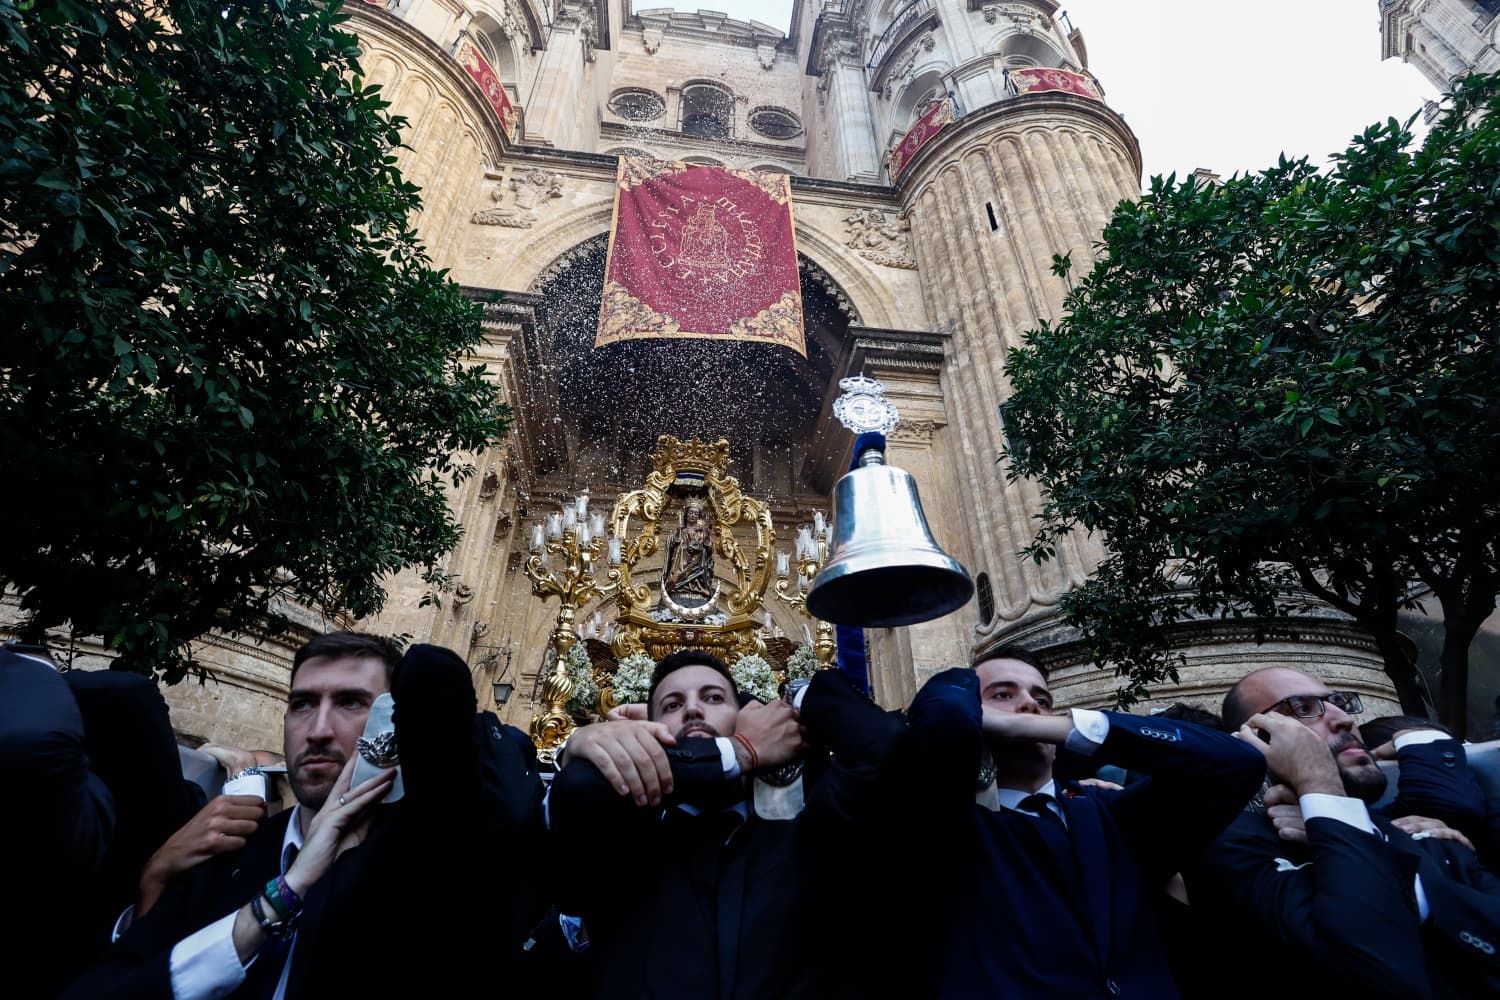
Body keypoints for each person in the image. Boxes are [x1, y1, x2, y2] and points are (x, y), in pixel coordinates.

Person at [67, 633, 546, 999]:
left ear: (394, 724)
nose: (317, 730)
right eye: (301, 705)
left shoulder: (440, 865)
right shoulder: (226, 848)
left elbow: (435, 681)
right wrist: (155, 880)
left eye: (351, 702)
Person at [886, 645, 1266, 998]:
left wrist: (1026, 724)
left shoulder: (1111, 814)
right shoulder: (942, 823)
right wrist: (974, 717)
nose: (1029, 706)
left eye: (1042, 700)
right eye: (1002, 694)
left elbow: (1237, 764)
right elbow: (941, 714)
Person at [546, 648, 899, 1000]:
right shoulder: (624, 835)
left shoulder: (808, 827)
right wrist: (738, 750)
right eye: (671, 705)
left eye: (714, 698)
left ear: (748, 715)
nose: (693, 709)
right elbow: (578, 790)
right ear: (648, 730)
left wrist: (796, 698)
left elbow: (884, 746)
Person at [1185, 666, 1500, 998]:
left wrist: (1354, 832)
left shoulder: (1414, 830)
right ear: (1254, 739)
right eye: (1303, 708)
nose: (1345, 719)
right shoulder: (1231, 844)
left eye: (1339, 702)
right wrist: (1319, 785)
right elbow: (1374, 970)